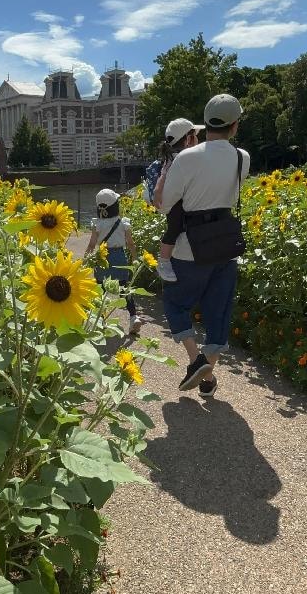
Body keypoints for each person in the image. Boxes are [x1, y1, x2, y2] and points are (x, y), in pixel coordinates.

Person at [158, 94, 250, 396]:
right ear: (234, 126)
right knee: (218, 311)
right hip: (225, 244)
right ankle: (207, 378)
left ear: (206, 122)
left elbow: (165, 205)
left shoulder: (187, 157)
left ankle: (196, 360)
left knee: (174, 301)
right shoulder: (242, 158)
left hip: (190, 247)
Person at [149, 118, 204, 283]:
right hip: (177, 204)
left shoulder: (172, 158)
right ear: (188, 139)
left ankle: (164, 261)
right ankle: (163, 261)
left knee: (174, 228)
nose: (198, 140)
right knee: (174, 229)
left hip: (176, 203)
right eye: (195, 136)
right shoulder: (183, 159)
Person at [84, 188, 142, 336]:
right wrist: (134, 258)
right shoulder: (123, 222)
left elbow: (91, 244)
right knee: (124, 288)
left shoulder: (97, 223)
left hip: (101, 258)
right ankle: (133, 317)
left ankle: (101, 321)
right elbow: (130, 243)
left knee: (100, 290)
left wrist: (85, 259)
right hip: (120, 257)